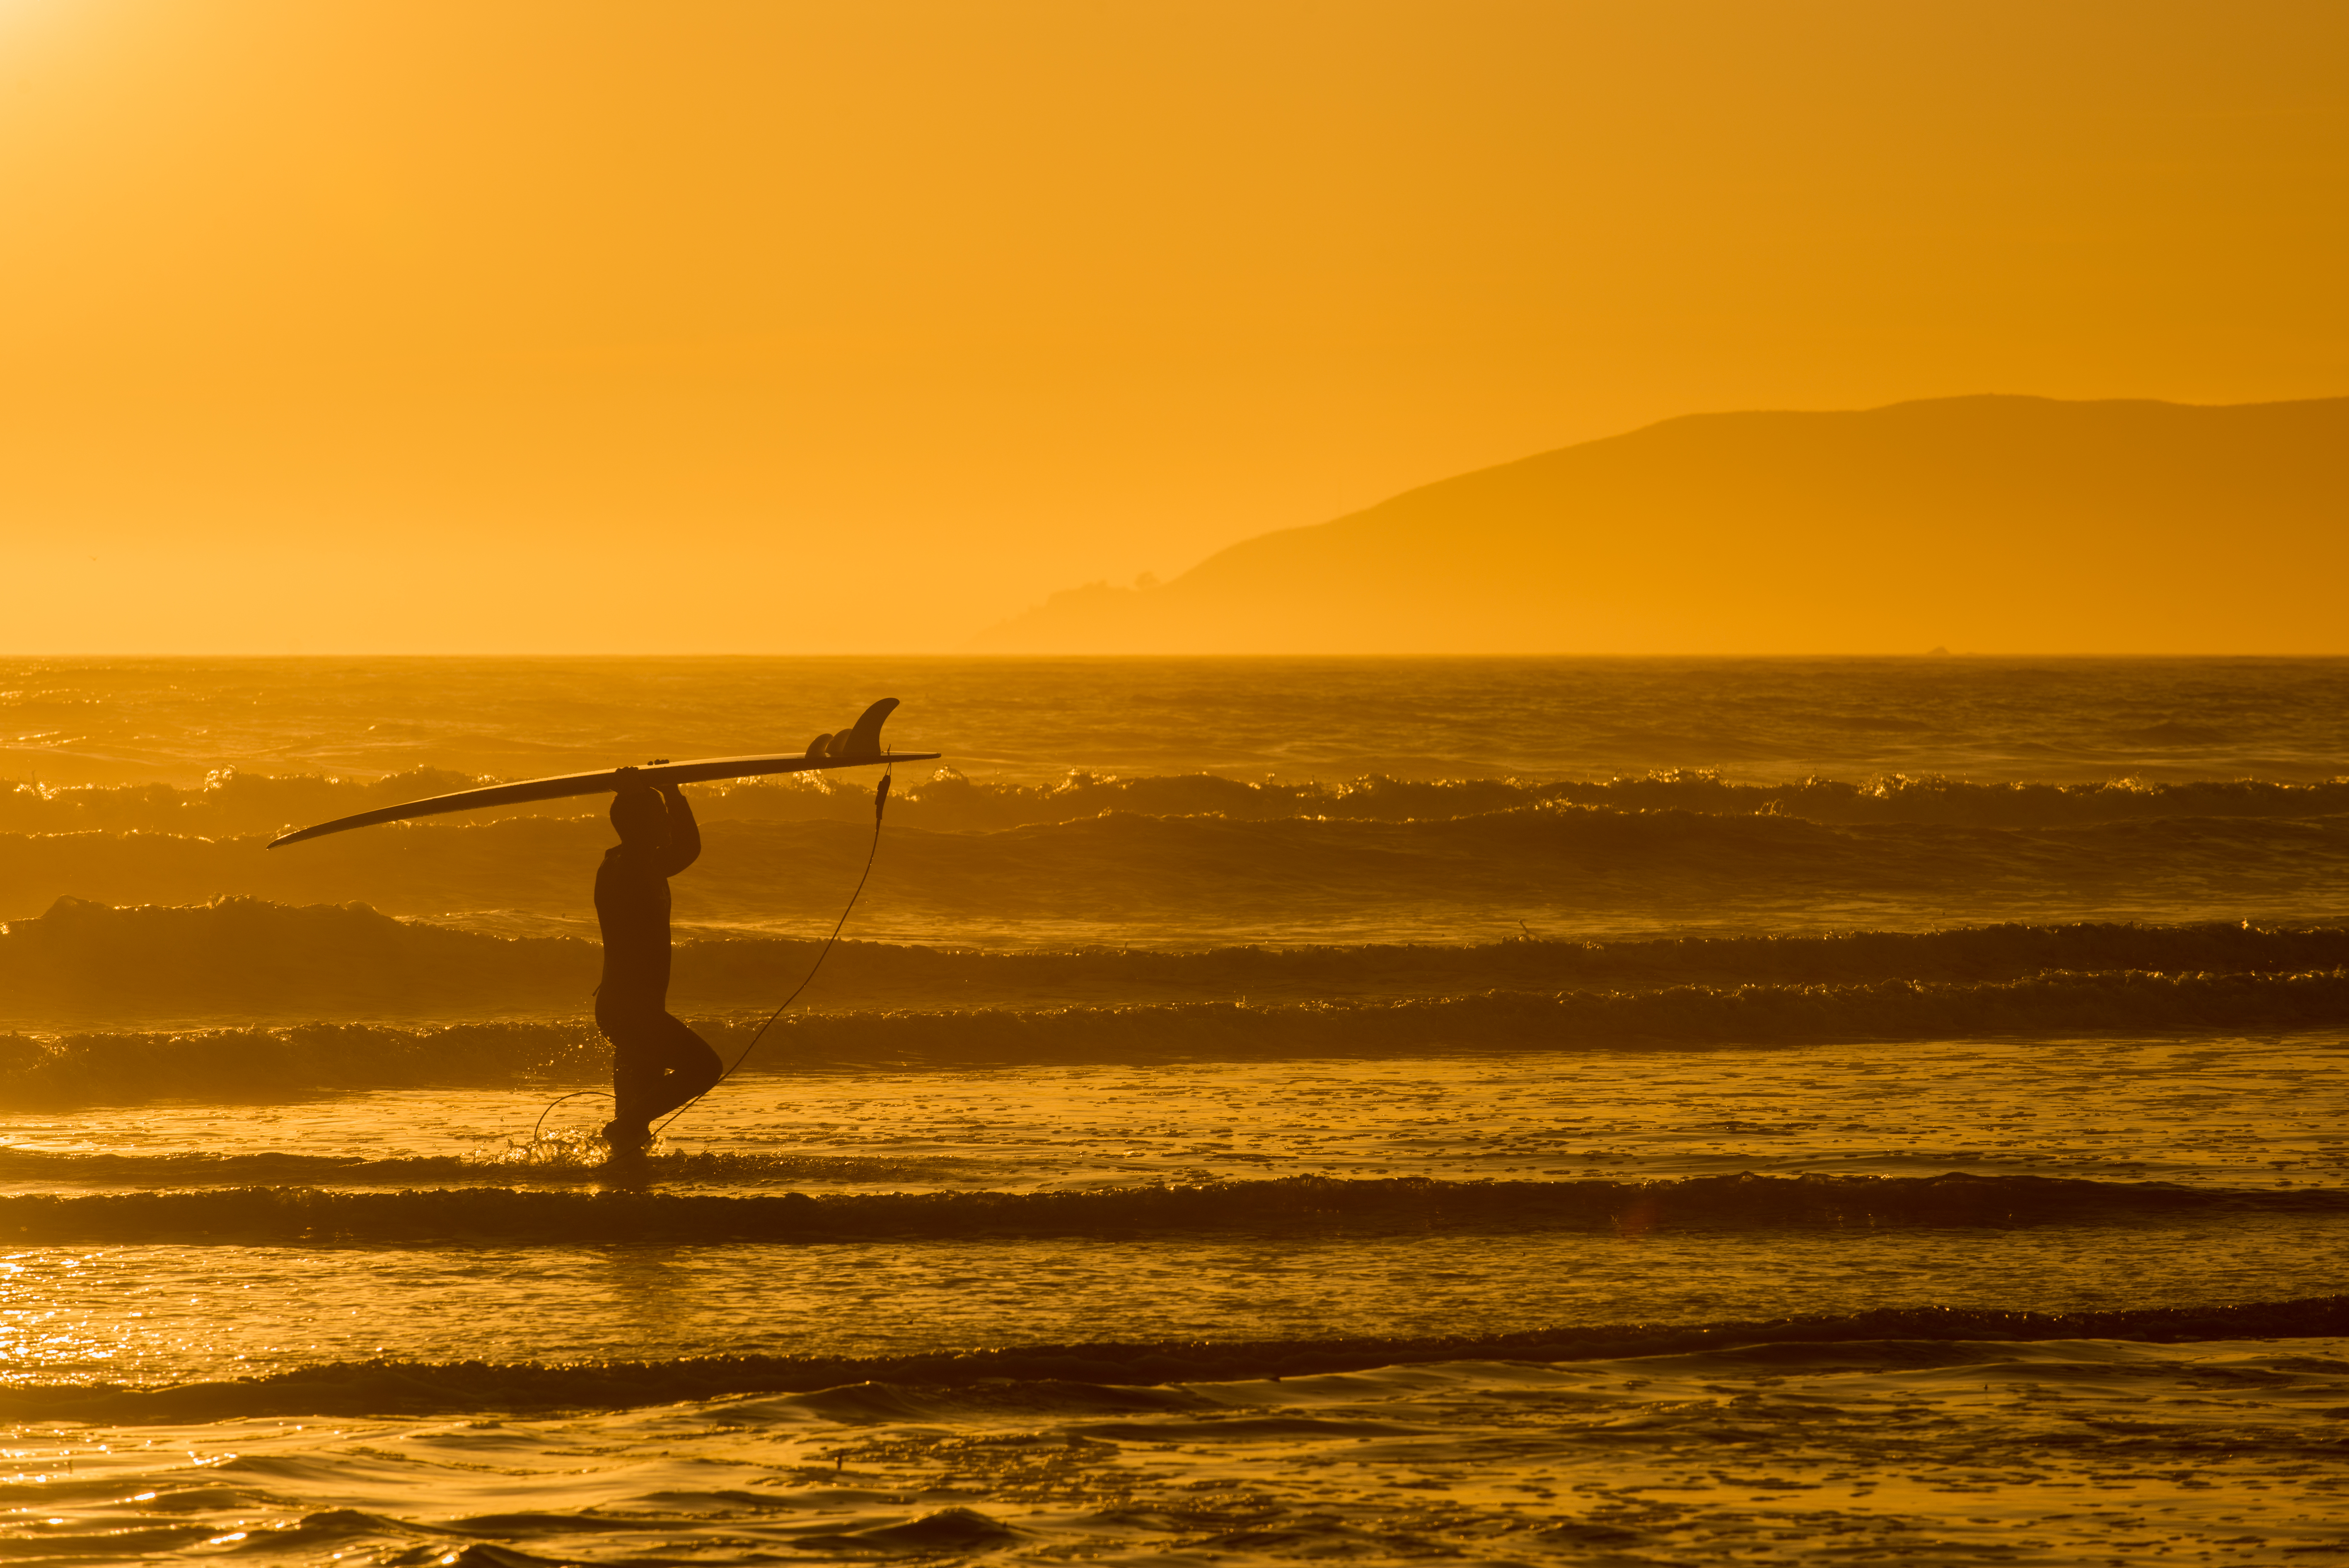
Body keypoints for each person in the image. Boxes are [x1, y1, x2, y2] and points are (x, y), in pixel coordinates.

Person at [594, 777, 722, 1155]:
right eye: (661, 818)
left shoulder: (642, 864)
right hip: (631, 1013)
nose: (668, 825)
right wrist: (637, 795)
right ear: (643, 826)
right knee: (704, 1068)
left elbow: (689, 847)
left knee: (636, 1122)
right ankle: (624, 1128)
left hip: (634, 1010)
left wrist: (671, 794)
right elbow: (678, 846)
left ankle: (627, 1182)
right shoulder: (625, 869)